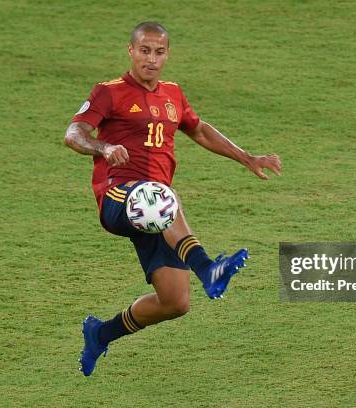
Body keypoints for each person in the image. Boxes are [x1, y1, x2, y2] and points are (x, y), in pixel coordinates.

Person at [64, 22, 282, 376]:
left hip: (153, 213)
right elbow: (73, 133)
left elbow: (198, 128)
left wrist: (248, 157)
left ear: (167, 54)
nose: (151, 59)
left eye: (159, 52)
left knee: (175, 301)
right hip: (118, 196)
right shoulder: (109, 91)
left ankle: (100, 333)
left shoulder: (173, 94)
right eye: (144, 50)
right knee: (160, 196)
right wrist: (103, 147)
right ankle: (208, 268)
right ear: (131, 51)